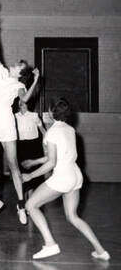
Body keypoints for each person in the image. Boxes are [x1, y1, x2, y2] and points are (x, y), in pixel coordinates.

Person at [22, 98, 110, 260]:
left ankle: (50, 244)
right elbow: (58, 155)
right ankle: (100, 251)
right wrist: (34, 162)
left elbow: (51, 162)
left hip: (62, 177)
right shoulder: (69, 130)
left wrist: (30, 175)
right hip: (75, 176)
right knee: (73, 216)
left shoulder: (52, 132)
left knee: (31, 205)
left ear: (50, 112)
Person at [0, 12, 39, 225]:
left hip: (6, 123)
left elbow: (25, 100)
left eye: (18, 66)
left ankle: (21, 205)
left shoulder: (19, 85)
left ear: (21, 73)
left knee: (13, 164)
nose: (14, 64)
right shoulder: (1, 71)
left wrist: (34, 81)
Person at [15, 99, 46, 196]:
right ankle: (22, 202)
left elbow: (43, 130)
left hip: (33, 147)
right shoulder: (14, 116)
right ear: (18, 104)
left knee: (33, 172)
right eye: (21, 103)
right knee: (21, 171)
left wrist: (48, 143)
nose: (23, 105)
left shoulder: (34, 116)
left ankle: (32, 199)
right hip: (20, 147)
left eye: (25, 103)